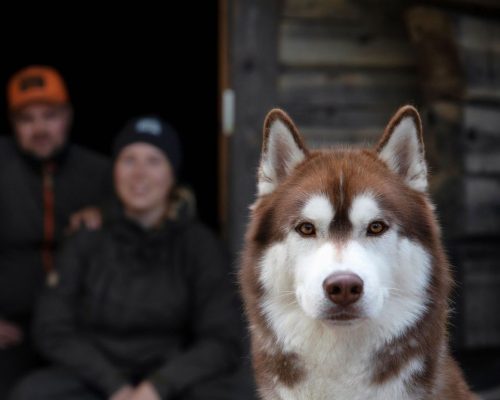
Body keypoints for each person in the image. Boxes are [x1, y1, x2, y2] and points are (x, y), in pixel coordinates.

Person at [10, 116, 241, 400]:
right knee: (32, 393)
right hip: (95, 375)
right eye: (129, 160)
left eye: (154, 161)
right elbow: (51, 326)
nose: (139, 173)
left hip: (170, 375)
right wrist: (114, 386)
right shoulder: (87, 237)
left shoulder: (199, 245)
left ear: (172, 174)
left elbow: (223, 338)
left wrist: (157, 387)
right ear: (115, 170)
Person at [0, 65, 112, 397]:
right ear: (13, 125)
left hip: (79, 329)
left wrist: (105, 212)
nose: (39, 128)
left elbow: (161, 203)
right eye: (27, 119)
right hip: (11, 329)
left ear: (68, 117)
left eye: (50, 116)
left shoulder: (101, 172)